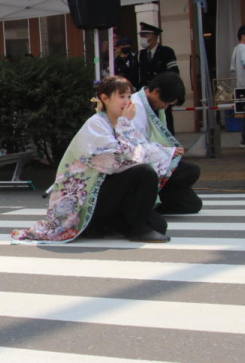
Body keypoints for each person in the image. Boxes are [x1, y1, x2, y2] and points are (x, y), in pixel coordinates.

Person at [14, 76, 174, 245]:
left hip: (108, 189)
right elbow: (116, 160)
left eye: (129, 96)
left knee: (159, 224)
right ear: (105, 98)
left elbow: (140, 149)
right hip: (88, 196)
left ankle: (114, 224)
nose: (127, 101)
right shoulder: (96, 124)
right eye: (122, 96)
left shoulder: (121, 122)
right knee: (144, 172)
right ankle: (132, 229)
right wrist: (127, 125)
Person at [131, 73, 202, 215]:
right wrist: (167, 153)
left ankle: (157, 199)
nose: (165, 106)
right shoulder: (135, 107)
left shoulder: (151, 106)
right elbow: (133, 146)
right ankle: (149, 201)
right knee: (191, 171)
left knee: (193, 204)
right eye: (166, 102)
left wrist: (168, 153)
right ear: (156, 91)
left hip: (154, 160)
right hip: (140, 166)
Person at [137, 21, 179, 132]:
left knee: (165, 126)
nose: (142, 38)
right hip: (146, 98)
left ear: (154, 36)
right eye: (141, 35)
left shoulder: (167, 52)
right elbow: (139, 76)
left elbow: (174, 74)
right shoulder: (140, 54)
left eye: (145, 35)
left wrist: (171, 96)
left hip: (162, 96)